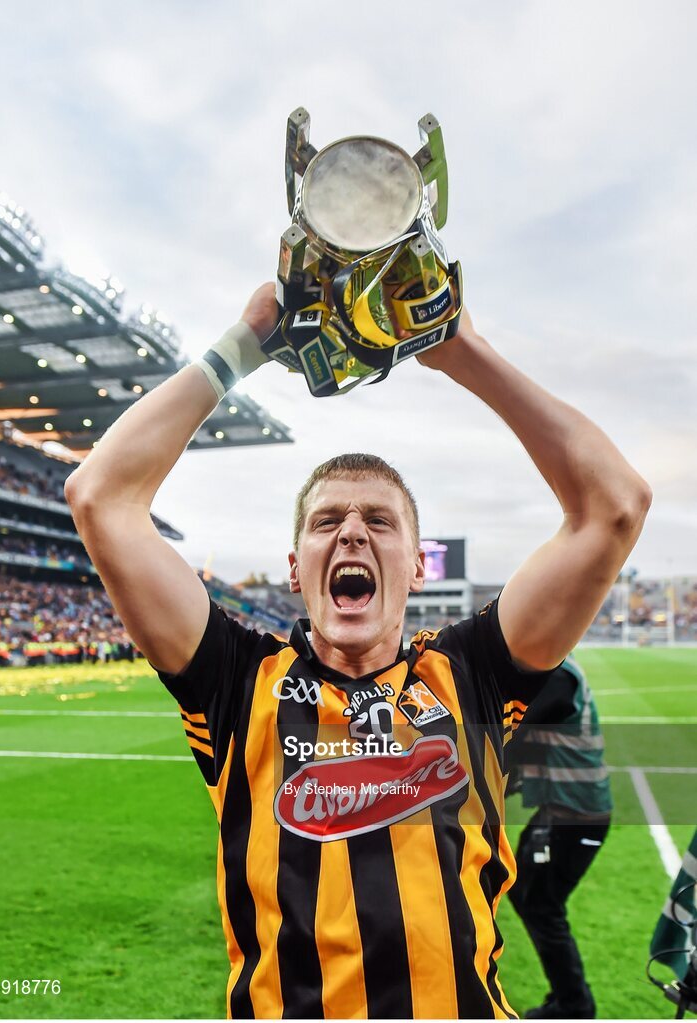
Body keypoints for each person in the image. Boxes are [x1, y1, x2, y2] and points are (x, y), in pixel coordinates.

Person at [65, 284, 650, 1019]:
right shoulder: (239, 680)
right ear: (294, 565)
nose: (350, 532)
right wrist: (244, 345)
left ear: (414, 566)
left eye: (379, 519)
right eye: (326, 521)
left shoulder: (468, 671)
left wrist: (462, 353)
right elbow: (100, 496)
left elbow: (615, 504)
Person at [505, 656, 612, 1018]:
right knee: (522, 892)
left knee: (542, 906)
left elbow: (512, 738)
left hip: (576, 817)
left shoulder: (558, 677)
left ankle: (575, 1005)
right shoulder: (548, 674)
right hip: (556, 812)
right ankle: (569, 997)